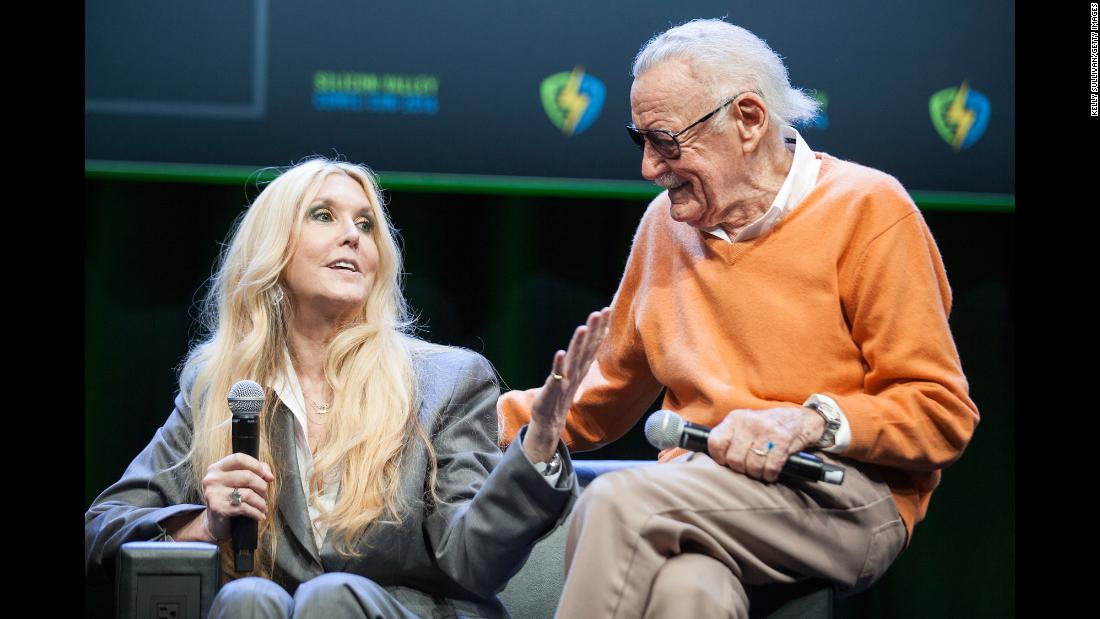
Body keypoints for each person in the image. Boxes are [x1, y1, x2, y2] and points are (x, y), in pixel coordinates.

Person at [498, 18, 980, 619]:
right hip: (701, 489)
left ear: (748, 120)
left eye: (666, 141)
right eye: (639, 140)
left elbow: (940, 414)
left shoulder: (870, 210)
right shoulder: (664, 227)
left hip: (840, 493)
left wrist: (809, 422)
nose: (649, 167)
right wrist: (463, 421)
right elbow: (603, 396)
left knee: (619, 502)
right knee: (689, 592)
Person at [84, 157, 611, 618]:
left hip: (413, 612)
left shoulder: (447, 381)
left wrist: (538, 443)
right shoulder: (218, 385)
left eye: (365, 223)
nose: (353, 235)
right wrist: (203, 524)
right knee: (247, 599)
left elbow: (473, 560)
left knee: (332, 596)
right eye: (323, 216)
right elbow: (101, 529)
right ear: (273, 248)